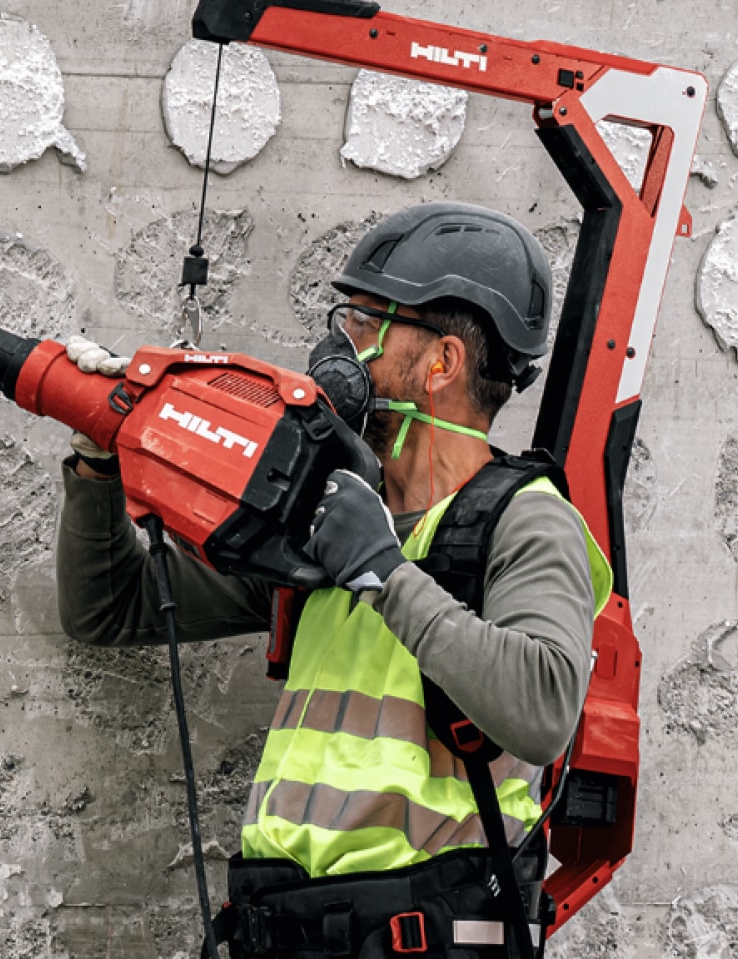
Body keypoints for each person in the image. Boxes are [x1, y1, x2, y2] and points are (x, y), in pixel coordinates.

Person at [57, 202, 612, 958]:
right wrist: (100, 457)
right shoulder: (317, 520)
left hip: (417, 937)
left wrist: (382, 569)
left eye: (364, 326)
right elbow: (109, 608)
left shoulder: (525, 521)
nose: (337, 351)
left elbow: (543, 708)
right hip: (282, 928)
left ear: (441, 363)